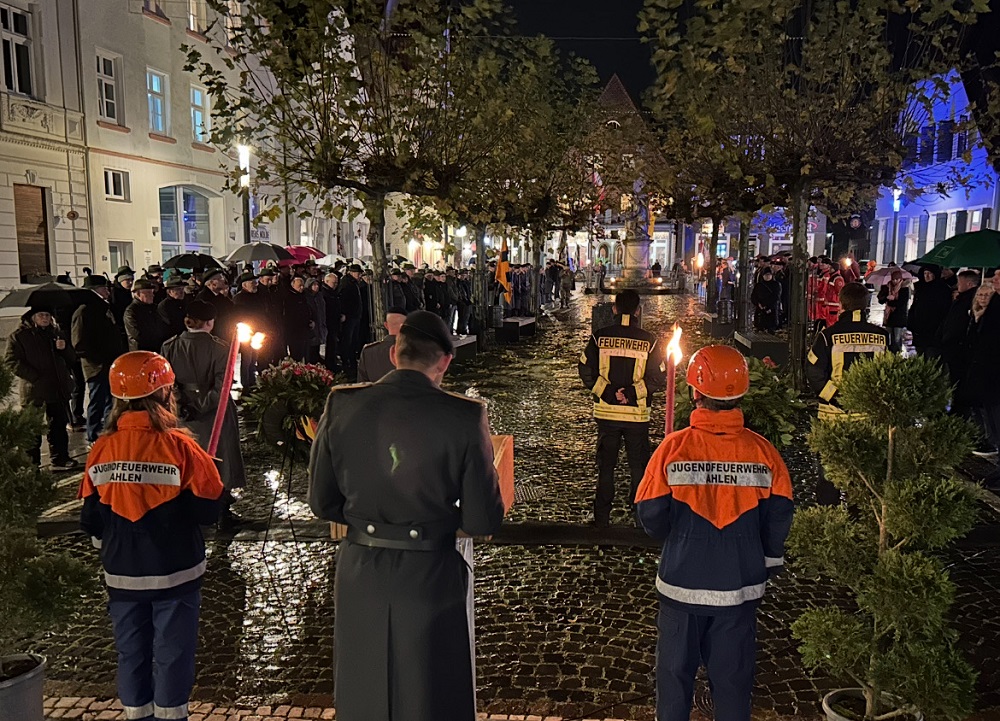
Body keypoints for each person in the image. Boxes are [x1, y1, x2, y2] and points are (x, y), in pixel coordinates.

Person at [308, 310, 504, 721]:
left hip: (361, 569)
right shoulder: (465, 416)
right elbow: (484, 518)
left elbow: (322, 502)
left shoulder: (341, 403)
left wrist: (370, 515)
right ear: (444, 362)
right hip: (430, 571)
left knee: (364, 687)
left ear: (394, 353)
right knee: (432, 691)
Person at [635, 345, 793, 721]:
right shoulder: (764, 452)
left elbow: (650, 513)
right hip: (739, 587)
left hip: (681, 584)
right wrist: (766, 561)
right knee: (734, 682)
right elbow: (780, 514)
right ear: (742, 393)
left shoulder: (673, 449)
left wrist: (674, 537)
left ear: (694, 393)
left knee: (674, 680)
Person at [78, 351, 224, 721]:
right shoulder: (182, 448)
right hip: (175, 572)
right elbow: (208, 512)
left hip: (122, 573)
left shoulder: (101, 449)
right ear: (164, 393)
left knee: (130, 651)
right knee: (173, 651)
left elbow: (91, 519)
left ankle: (136, 715)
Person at [577, 289, 665, 528]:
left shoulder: (599, 337)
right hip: (637, 416)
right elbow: (659, 378)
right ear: (638, 310)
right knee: (638, 467)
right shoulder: (650, 340)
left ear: (614, 309)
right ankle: (640, 518)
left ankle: (602, 518)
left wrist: (608, 393)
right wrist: (631, 394)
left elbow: (585, 370)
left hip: (607, 415)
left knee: (606, 467)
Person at [161, 300, 246, 524]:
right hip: (213, 411)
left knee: (190, 458)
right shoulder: (220, 347)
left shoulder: (169, 346)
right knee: (219, 457)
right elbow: (223, 385)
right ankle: (221, 509)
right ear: (209, 322)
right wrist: (203, 405)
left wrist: (182, 404)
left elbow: (168, 383)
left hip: (184, 412)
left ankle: (193, 502)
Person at [806, 282, 890, 504]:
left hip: (833, 418)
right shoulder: (882, 336)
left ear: (842, 304)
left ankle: (829, 522)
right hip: (868, 419)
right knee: (863, 476)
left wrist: (838, 398)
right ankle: (858, 521)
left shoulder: (827, 336)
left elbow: (814, 372)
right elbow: (890, 375)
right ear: (866, 305)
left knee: (829, 475)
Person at [5, 307, 79, 469]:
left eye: (47, 315)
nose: (45, 318)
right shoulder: (19, 336)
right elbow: (11, 361)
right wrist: (34, 377)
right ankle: (31, 464)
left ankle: (60, 457)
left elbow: (72, 358)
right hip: (34, 390)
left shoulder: (56, 333)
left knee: (58, 425)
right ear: (33, 318)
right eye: (41, 315)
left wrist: (64, 348)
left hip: (57, 387)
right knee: (33, 428)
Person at [73, 274, 126, 444]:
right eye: (105, 288)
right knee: (97, 401)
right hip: (96, 366)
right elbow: (79, 343)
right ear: (96, 290)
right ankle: (93, 434)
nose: (108, 292)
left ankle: (108, 430)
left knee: (111, 400)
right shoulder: (85, 310)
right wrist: (98, 360)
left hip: (110, 363)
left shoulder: (103, 307)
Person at [965, 272, 1000, 466]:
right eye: (981, 295)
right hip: (981, 371)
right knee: (988, 414)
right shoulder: (977, 315)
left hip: (993, 373)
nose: (994, 280)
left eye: (998, 277)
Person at [938, 270, 980, 418]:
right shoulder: (961, 298)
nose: (957, 285)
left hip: (958, 348)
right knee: (953, 378)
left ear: (969, 284)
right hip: (952, 346)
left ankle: (961, 411)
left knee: (958, 380)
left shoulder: (971, 299)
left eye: (960, 282)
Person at [907, 265, 953, 357]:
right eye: (925, 273)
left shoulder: (943, 289)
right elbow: (915, 306)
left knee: (932, 357)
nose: (927, 276)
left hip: (934, 332)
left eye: (929, 273)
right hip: (919, 331)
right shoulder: (921, 288)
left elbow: (945, 311)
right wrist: (911, 322)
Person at [233, 271, 267, 390]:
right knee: (247, 359)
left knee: (253, 359)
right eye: (252, 282)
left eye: (255, 282)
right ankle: (246, 384)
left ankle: (252, 381)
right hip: (247, 333)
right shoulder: (239, 298)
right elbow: (238, 317)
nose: (255, 284)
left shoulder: (257, 296)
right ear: (244, 285)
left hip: (257, 333)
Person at [357, 307, 407, 383]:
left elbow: (361, 384)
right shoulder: (414, 349)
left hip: (375, 394)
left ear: (386, 325)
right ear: (406, 325)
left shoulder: (368, 352)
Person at [124, 279, 170, 352]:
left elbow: (162, 326)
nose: (152, 295)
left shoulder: (154, 308)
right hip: (141, 352)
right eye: (148, 292)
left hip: (157, 349)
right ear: (138, 294)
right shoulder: (131, 311)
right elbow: (137, 334)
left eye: (152, 292)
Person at [196, 268, 236, 342]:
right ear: (212, 283)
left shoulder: (220, 296)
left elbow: (233, 309)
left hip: (226, 337)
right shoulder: (203, 299)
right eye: (220, 278)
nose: (224, 280)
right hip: (214, 340)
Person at [283, 275, 315, 362]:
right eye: (299, 286)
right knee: (297, 355)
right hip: (295, 332)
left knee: (306, 354)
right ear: (293, 286)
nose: (301, 288)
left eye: (302, 285)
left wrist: (311, 320)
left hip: (305, 330)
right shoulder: (289, 297)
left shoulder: (304, 296)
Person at [877, 269, 910, 353]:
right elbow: (880, 300)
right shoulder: (887, 287)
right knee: (888, 338)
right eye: (893, 279)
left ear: (900, 279)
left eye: (897, 279)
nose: (895, 281)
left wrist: (890, 300)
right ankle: (889, 354)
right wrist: (886, 298)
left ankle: (897, 355)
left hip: (899, 317)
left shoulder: (904, 288)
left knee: (897, 339)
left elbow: (901, 303)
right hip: (889, 318)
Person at [339, 265, 364, 375]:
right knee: (348, 340)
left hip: (355, 316)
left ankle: (352, 361)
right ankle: (347, 362)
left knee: (353, 340)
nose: (359, 275)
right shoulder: (346, 283)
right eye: (358, 273)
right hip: (350, 317)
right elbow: (344, 300)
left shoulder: (353, 283)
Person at [750, 267, 781, 332]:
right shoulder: (759, 285)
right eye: (766, 275)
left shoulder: (776, 285)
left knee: (771, 329)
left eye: (769, 275)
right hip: (760, 312)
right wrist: (758, 304)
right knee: (760, 329)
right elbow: (753, 296)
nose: (767, 276)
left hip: (771, 311)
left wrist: (768, 307)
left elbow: (776, 297)